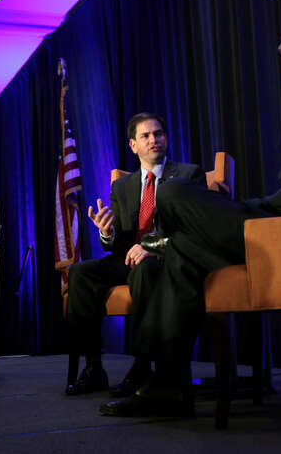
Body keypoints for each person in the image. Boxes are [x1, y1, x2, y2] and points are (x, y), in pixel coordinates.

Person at [100, 16, 281, 417]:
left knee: (173, 191)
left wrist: (252, 208)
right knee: (182, 252)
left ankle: (163, 247)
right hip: (280, 218)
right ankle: (168, 385)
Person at [65, 112, 206, 396]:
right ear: (133, 145)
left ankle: (142, 366)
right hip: (129, 258)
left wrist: (151, 247)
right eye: (146, 135)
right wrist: (107, 232)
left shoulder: (188, 175)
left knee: (144, 269)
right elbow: (116, 244)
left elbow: (193, 229)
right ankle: (93, 369)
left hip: (167, 258)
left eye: (158, 134)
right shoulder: (122, 186)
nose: (154, 140)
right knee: (80, 272)